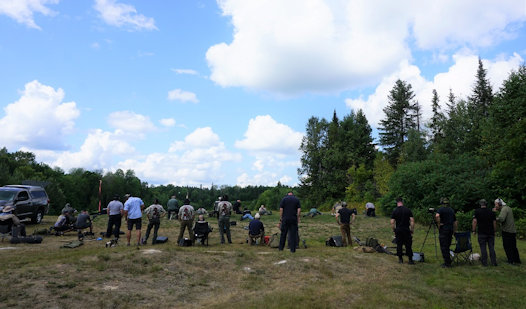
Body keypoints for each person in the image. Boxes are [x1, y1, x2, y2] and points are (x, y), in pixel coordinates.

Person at [494, 198, 521, 265]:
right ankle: (517, 260)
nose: (495, 206)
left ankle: (510, 261)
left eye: (496, 204)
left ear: (499, 204)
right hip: (512, 231)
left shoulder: (504, 209)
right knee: (513, 246)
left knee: (507, 246)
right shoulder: (507, 208)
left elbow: (501, 219)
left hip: (507, 231)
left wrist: (494, 218)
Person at [472, 199, 497, 266]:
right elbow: (494, 222)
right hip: (490, 232)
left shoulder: (477, 211)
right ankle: (494, 262)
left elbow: (474, 221)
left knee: (483, 247)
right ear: (486, 204)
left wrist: (474, 230)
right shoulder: (491, 212)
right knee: (491, 247)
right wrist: (494, 231)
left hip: (481, 232)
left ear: (480, 204)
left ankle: (484, 262)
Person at [390, 197, 415, 264]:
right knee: (408, 245)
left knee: (399, 244)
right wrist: (412, 229)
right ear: (402, 202)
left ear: (397, 202)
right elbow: (412, 221)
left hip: (399, 230)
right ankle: (410, 260)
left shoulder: (395, 211)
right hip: (406, 229)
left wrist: (394, 230)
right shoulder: (408, 210)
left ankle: (400, 259)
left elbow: (392, 222)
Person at [435, 197, 457, 268]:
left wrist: (439, 224)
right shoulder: (451, 210)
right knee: (447, 245)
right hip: (450, 229)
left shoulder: (441, 209)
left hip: (444, 229)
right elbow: (455, 222)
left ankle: (447, 263)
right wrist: (454, 231)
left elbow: (437, 216)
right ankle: (448, 261)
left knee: (444, 247)